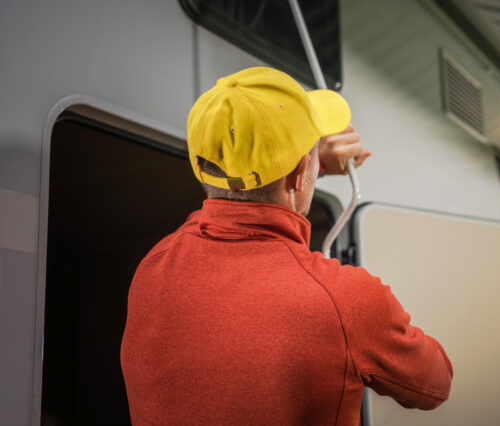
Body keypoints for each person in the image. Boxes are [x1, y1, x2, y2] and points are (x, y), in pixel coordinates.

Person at [120, 67, 453, 425]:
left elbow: (228, 208)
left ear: (200, 167)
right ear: (299, 173)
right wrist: (310, 168)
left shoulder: (155, 264)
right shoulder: (348, 300)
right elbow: (435, 383)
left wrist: (309, 166)